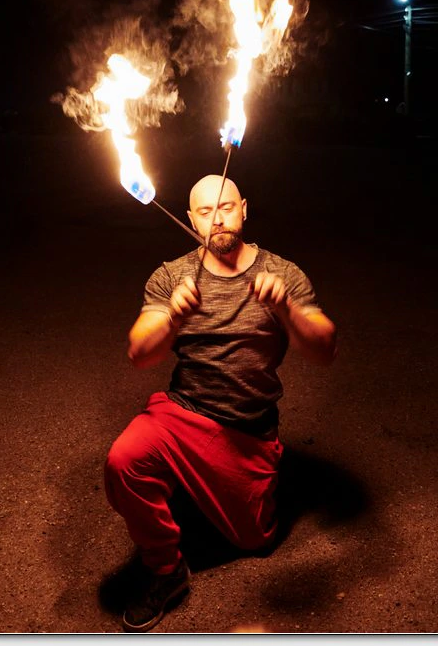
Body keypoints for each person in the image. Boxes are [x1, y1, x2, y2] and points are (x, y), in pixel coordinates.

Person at [104, 174, 338, 632]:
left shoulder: (283, 273)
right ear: (191, 219)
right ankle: (166, 569)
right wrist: (172, 317)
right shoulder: (171, 275)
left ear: (244, 208)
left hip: (247, 428)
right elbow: (139, 354)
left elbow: (325, 349)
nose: (217, 219)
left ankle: (212, 488)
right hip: (183, 413)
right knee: (124, 459)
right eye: (206, 211)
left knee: (256, 541)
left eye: (226, 207)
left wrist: (287, 309)